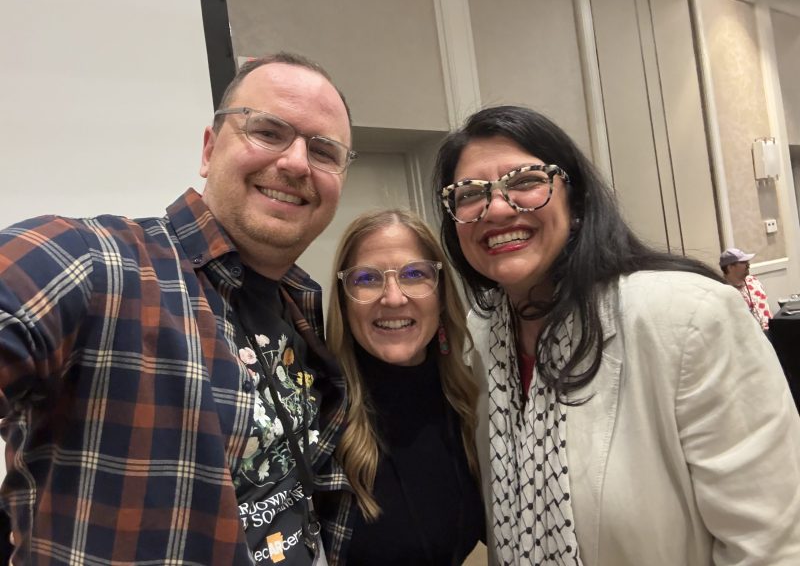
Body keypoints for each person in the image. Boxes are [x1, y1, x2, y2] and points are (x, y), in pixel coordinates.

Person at [0, 52, 354, 564]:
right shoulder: (99, 263)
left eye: (323, 150)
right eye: (268, 131)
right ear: (209, 150)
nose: (297, 162)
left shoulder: (299, 305)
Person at [433, 105, 800, 565]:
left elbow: (772, 546)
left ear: (576, 202)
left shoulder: (689, 316)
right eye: (470, 193)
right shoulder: (482, 334)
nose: (499, 208)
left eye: (525, 180)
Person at [317, 209, 484, 565]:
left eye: (414, 274)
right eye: (367, 278)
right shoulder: (319, 418)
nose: (393, 298)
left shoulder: (470, 401)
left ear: (441, 295)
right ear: (344, 302)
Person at [719, 247, 772, 330]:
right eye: (743, 262)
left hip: (769, 331)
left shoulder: (753, 281)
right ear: (730, 267)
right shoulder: (723, 292)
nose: (748, 265)